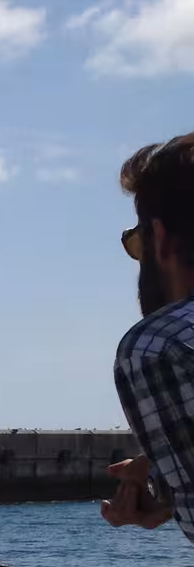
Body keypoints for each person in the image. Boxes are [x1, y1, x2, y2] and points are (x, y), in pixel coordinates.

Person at [103, 134, 194, 541]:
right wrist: (162, 476)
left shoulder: (158, 347)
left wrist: (165, 489)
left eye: (136, 241)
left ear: (159, 238)